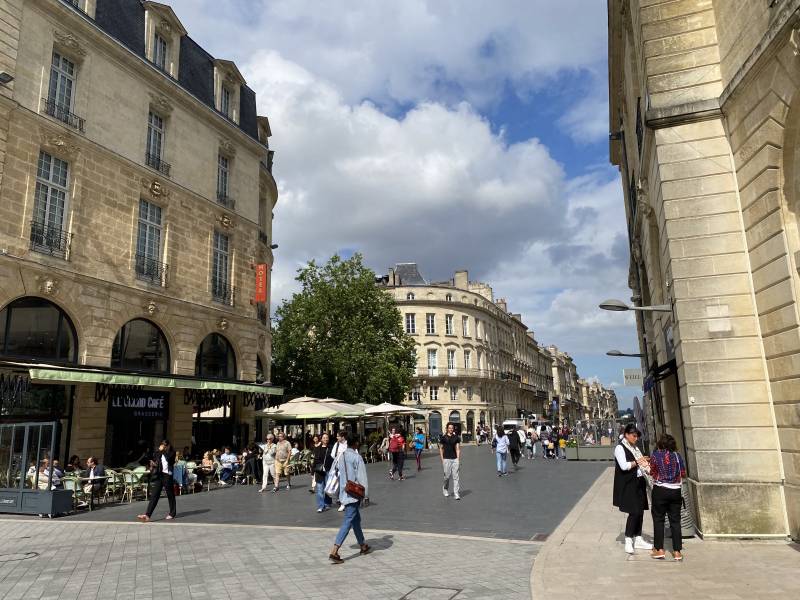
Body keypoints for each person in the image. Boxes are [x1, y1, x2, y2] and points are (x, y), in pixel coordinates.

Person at [328, 432, 371, 563]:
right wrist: (366, 496)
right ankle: (334, 551)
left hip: (344, 492)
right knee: (348, 520)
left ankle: (363, 545)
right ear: (356, 444)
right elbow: (362, 478)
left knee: (355, 519)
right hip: (354, 493)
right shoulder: (357, 457)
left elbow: (336, 472)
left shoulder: (341, 456)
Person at [613, 424, 652, 554]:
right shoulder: (620, 448)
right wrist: (639, 461)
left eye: (637, 436)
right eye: (634, 436)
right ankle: (628, 539)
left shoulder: (635, 447)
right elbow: (624, 466)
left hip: (639, 482)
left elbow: (641, 463)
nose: (636, 438)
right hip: (628, 484)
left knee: (640, 511)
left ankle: (638, 538)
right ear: (626, 435)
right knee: (633, 512)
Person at [649, 434, 686, 561]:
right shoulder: (677, 456)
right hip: (675, 491)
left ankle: (659, 549)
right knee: (675, 521)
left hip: (660, 490)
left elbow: (652, 472)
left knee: (659, 519)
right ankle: (677, 552)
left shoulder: (655, 455)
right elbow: (683, 473)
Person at [137, 440, 177, 522]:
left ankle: (172, 513)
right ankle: (147, 515)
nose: (164, 446)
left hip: (167, 475)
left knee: (170, 494)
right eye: (163, 445)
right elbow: (155, 459)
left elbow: (169, 459)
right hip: (159, 475)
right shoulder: (159, 452)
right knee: (155, 494)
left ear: (169, 446)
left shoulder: (172, 452)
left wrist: (163, 451)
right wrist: (154, 462)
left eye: (166, 445)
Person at [313, 433, 334, 512]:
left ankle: (327, 503)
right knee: (319, 489)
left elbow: (333, 459)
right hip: (319, 471)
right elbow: (315, 460)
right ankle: (321, 506)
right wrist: (312, 473)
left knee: (328, 488)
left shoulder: (331, 447)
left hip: (329, 470)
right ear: (321, 439)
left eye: (327, 438)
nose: (325, 439)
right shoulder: (317, 448)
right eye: (324, 438)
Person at [439, 422, 461, 500]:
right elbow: (441, 449)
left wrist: (458, 459)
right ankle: (445, 489)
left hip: (454, 459)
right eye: (449, 428)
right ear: (447, 428)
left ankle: (456, 493)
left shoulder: (456, 437)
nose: (451, 429)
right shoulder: (443, 438)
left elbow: (458, 449)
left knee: (456, 477)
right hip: (446, 459)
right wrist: (442, 459)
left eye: (452, 428)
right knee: (447, 477)